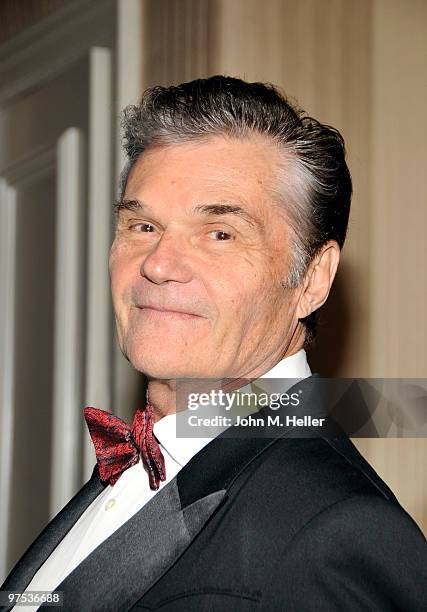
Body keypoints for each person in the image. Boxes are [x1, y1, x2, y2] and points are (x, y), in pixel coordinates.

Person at [1, 75, 426, 611]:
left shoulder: (335, 532)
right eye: (141, 225)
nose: (156, 263)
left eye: (220, 234)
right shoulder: (130, 471)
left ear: (313, 279)